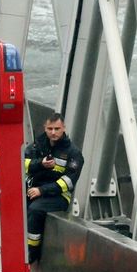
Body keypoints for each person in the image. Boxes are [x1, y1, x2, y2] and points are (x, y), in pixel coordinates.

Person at [23, 112, 83, 263]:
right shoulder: (38, 145)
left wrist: (42, 190)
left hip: (58, 196)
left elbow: (68, 182)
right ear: (45, 128)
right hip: (35, 190)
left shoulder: (73, 153)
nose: (53, 132)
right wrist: (40, 163)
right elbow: (22, 164)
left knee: (35, 210)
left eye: (57, 129)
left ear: (64, 128)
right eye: (50, 129)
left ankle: (32, 252)